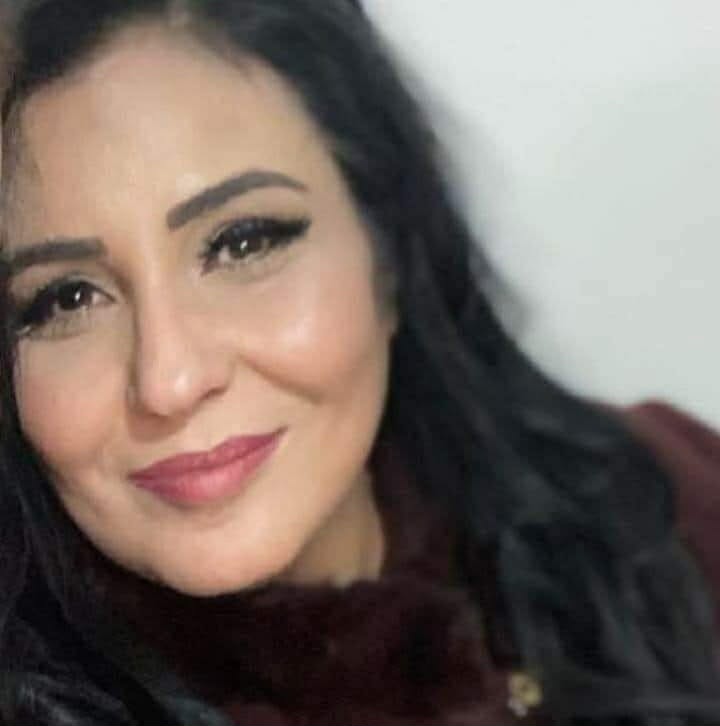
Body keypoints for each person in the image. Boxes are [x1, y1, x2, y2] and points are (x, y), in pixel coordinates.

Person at [0, 1, 718, 724]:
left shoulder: (666, 494)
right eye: (64, 299)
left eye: (243, 242)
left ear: (390, 252)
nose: (170, 380)